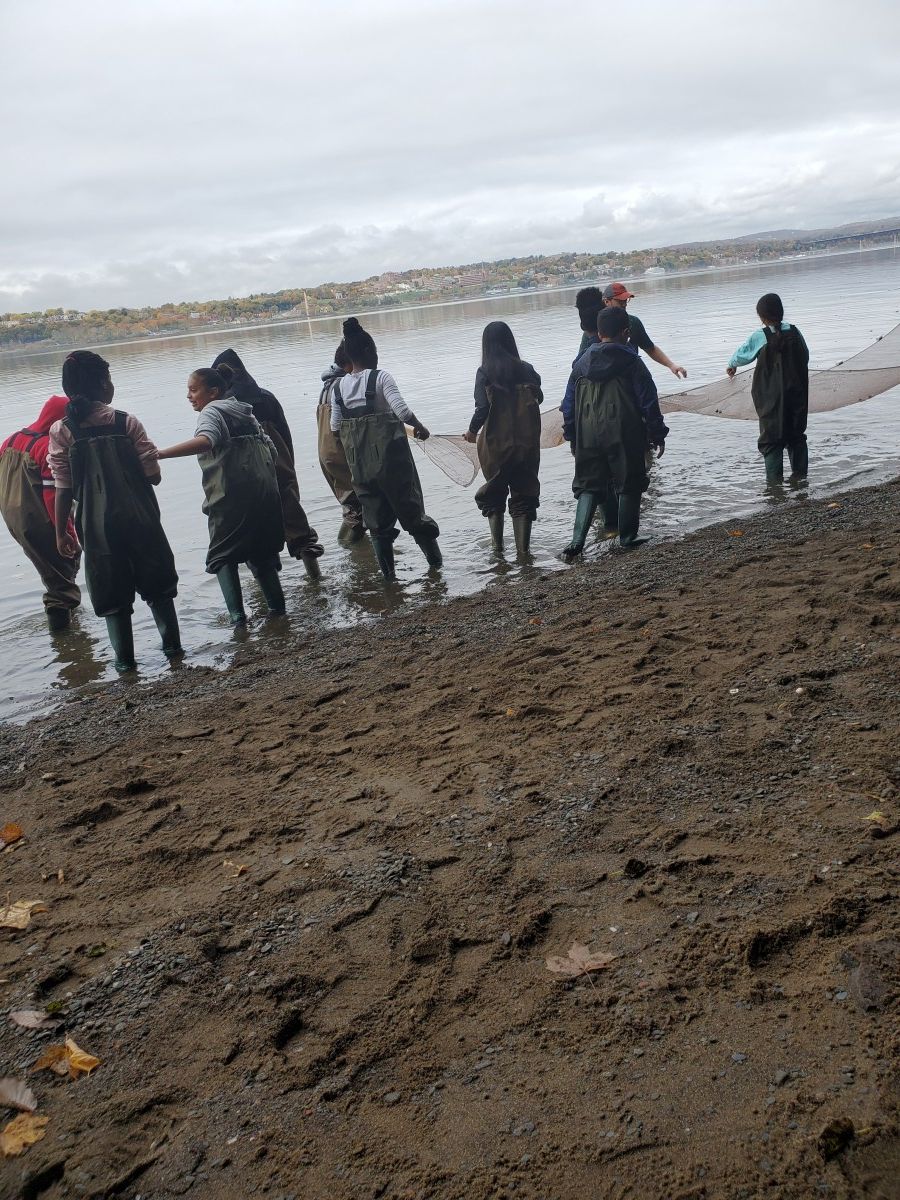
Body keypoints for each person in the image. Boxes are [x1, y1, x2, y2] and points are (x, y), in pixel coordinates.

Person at [49, 351, 181, 672]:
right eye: (109, 379)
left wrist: (60, 532)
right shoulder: (127, 422)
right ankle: (174, 652)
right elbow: (154, 476)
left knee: (111, 596)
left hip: (96, 527)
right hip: (142, 520)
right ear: (103, 386)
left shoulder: (61, 432)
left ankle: (125, 665)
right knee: (159, 587)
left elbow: (63, 488)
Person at [156, 368, 286, 625]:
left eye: (194, 390)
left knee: (222, 555)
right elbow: (272, 452)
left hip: (231, 499)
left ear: (213, 392)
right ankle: (278, 610)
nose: (189, 396)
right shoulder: (246, 412)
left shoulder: (212, 411)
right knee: (262, 552)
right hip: (265, 495)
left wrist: (161, 453)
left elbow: (206, 441)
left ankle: (238, 619)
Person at [330, 317, 440, 581]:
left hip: (361, 469)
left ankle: (389, 579)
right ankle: (436, 567)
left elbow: (335, 428)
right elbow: (401, 411)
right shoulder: (381, 378)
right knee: (412, 514)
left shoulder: (338, 387)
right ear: (370, 352)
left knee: (376, 523)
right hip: (393, 464)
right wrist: (420, 427)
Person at [561, 305, 668, 556]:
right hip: (625, 431)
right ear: (626, 333)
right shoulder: (632, 361)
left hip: (587, 433)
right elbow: (648, 401)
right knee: (629, 482)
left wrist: (572, 435)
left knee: (588, 485)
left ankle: (576, 541)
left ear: (598, 334)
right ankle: (628, 536)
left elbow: (568, 405)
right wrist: (657, 433)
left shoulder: (579, 365)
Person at [210, 348, 323, 577]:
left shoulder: (219, 408)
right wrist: (288, 467)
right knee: (296, 523)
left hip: (243, 476)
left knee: (254, 536)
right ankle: (315, 577)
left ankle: (268, 599)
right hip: (277, 464)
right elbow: (285, 435)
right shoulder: (265, 397)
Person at [0, 395, 81, 631]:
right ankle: (65, 642)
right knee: (63, 574)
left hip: (16, 520)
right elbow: (53, 496)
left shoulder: (12, 439)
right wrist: (66, 533)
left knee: (58, 572)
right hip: (42, 520)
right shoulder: (48, 447)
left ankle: (73, 624)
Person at [462, 321, 542, 557]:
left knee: (494, 494)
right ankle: (523, 552)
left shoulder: (485, 372)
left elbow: (482, 408)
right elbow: (540, 397)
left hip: (495, 446)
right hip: (526, 444)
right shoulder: (527, 369)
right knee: (524, 493)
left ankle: (497, 551)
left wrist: (471, 431)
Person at [726, 293, 809, 483]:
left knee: (771, 439)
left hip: (769, 399)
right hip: (797, 395)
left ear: (762, 317)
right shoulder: (795, 332)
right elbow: (805, 357)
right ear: (781, 312)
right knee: (796, 435)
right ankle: (801, 481)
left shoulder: (760, 336)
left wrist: (732, 364)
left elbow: (742, 355)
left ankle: (774, 488)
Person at [317, 343, 364, 539]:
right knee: (356, 509)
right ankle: (349, 547)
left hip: (326, 454)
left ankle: (361, 558)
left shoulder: (327, 385)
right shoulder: (343, 385)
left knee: (352, 506)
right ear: (348, 365)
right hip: (340, 454)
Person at [600, 282, 687, 378]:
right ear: (607, 302)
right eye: (620, 301)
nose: (624, 304)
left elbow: (650, 348)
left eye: (625, 300)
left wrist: (671, 365)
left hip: (630, 377)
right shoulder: (597, 326)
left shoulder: (633, 322)